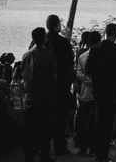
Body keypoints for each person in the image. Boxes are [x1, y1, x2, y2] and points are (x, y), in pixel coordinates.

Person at [86, 23, 116, 162]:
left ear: (105, 33)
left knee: (98, 121)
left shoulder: (95, 49)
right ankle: (103, 154)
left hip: (98, 91)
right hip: (111, 92)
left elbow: (88, 69)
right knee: (107, 124)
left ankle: (96, 152)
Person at [21, 27, 57, 162]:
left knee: (31, 129)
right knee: (45, 129)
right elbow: (53, 78)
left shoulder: (26, 54)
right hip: (45, 96)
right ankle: (44, 155)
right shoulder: (49, 55)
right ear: (45, 38)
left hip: (29, 97)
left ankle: (29, 155)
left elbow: (22, 75)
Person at [45, 14, 74, 155]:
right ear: (57, 25)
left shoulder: (39, 42)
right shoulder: (63, 43)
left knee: (43, 119)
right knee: (60, 118)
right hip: (61, 86)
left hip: (43, 87)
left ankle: (42, 147)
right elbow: (69, 65)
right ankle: (59, 146)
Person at [75, 31, 101, 156]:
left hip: (85, 92)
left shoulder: (82, 56)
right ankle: (94, 146)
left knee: (83, 121)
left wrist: (88, 80)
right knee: (95, 121)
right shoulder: (103, 55)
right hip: (99, 93)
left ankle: (83, 146)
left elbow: (79, 74)